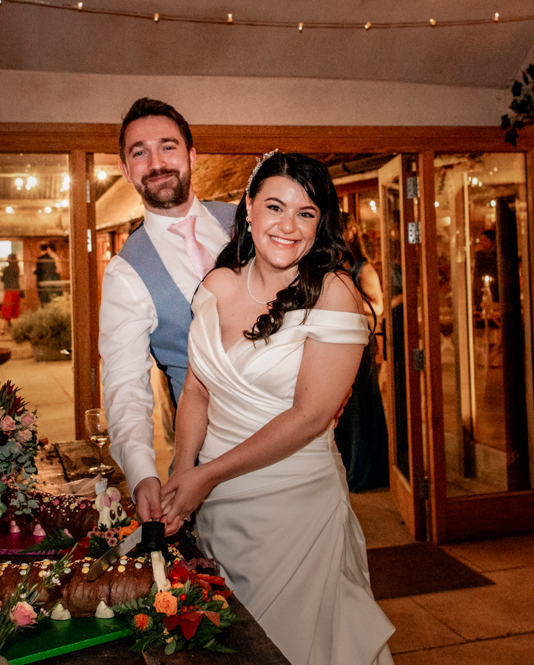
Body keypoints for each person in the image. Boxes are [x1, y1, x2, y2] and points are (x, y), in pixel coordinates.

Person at [160, 153, 394, 665]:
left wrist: (207, 475)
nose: (288, 226)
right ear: (248, 209)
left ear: (321, 223)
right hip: (219, 509)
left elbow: (310, 416)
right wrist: (183, 473)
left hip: (296, 508)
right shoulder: (217, 286)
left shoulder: (335, 295)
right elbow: (197, 389)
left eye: (306, 213)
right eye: (274, 206)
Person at [98, 98, 237, 522]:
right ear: (126, 170)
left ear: (192, 156)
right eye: (139, 152)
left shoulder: (248, 221)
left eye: (168, 147)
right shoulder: (125, 272)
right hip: (209, 464)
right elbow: (125, 384)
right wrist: (142, 473)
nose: (156, 162)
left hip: (298, 445)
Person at [334, 217, 390, 492]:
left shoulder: (363, 268)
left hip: (360, 344)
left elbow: (378, 307)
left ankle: (365, 472)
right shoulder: (335, 266)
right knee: (343, 411)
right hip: (338, 344)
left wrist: (348, 299)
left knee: (361, 409)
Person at [0, 254, 22, 334]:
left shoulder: (6, 269)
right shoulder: (17, 268)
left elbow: (4, 279)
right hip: (17, 290)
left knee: (6, 309)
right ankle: (17, 328)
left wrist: (2, 273)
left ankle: (1, 328)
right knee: (14, 309)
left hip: (9, 291)